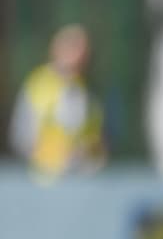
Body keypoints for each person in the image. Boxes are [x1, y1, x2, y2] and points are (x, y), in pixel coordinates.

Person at [8, 23, 107, 179]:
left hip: (83, 179)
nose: (78, 55)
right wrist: (53, 156)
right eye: (72, 48)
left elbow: (98, 141)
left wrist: (89, 153)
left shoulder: (90, 91)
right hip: (44, 180)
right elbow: (20, 138)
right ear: (56, 49)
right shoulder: (37, 86)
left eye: (82, 50)